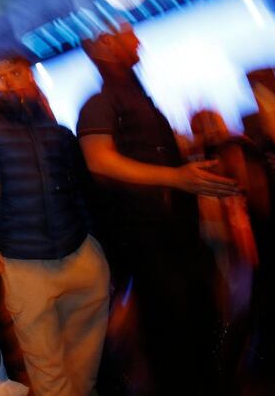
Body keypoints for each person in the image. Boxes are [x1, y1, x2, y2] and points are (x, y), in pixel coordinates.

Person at [77, 26, 238, 394]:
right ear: (103, 50)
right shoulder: (99, 104)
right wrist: (175, 177)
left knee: (201, 328)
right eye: (121, 35)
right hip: (151, 243)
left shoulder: (138, 101)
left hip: (178, 239)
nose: (135, 39)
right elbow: (99, 161)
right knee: (173, 338)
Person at [0, 54, 110, 396]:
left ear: (30, 75)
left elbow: (80, 190)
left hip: (79, 252)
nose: (10, 80)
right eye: (1, 76)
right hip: (23, 261)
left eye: (15, 72)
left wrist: (95, 242)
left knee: (86, 361)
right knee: (47, 369)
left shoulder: (58, 132)